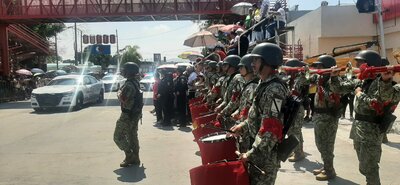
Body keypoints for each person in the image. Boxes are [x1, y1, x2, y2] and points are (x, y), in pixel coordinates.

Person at [329, 50, 400, 185]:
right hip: (358, 127)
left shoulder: (382, 82)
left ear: (369, 64)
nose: (357, 65)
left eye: (360, 62)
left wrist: (360, 93)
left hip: (372, 129)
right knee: (363, 164)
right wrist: (334, 77)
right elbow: (338, 89)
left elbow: (379, 102)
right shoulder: (361, 81)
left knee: (370, 166)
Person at [231, 43, 289, 185]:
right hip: (257, 148)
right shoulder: (263, 84)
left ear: (267, 62)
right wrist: (243, 126)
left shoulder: (274, 89)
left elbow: (271, 129)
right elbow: (256, 114)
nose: (252, 64)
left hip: (264, 155)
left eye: (256, 60)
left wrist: (251, 153)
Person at [311, 55, 341, 181]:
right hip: (318, 116)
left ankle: (330, 171)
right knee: (319, 143)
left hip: (328, 117)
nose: (318, 68)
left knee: (327, 146)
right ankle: (326, 166)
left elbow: (332, 97)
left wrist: (323, 86)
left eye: (320, 66)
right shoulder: (321, 80)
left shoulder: (333, 82)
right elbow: (307, 79)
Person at [113, 62, 143, 167]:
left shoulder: (129, 85)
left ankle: (129, 155)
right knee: (132, 135)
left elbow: (123, 98)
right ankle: (136, 157)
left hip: (127, 115)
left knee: (117, 137)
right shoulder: (135, 82)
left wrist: (118, 93)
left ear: (129, 72)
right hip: (135, 114)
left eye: (124, 69)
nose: (122, 71)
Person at [283, 58, 309, 162]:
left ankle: (299, 153)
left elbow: (295, 91)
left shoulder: (301, 78)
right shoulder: (291, 78)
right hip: (292, 107)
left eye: (288, 68)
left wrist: (304, 70)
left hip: (298, 107)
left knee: (295, 131)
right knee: (293, 130)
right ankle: (297, 150)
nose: (286, 71)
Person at [232, 54, 259, 152]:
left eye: (241, 67)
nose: (239, 69)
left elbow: (249, 110)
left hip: (248, 129)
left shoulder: (252, 87)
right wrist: (237, 112)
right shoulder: (247, 85)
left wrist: (241, 125)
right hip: (243, 126)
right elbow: (243, 105)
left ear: (248, 68)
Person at [215, 55, 244, 129]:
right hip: (228, 112)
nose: (223, 68)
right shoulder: (229, 77)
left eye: (225, 65)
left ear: (233, 65)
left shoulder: (238, 78)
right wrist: (221, 106)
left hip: (234, 114)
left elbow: (235, 100)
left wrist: (223, 111)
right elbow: (227, 97)